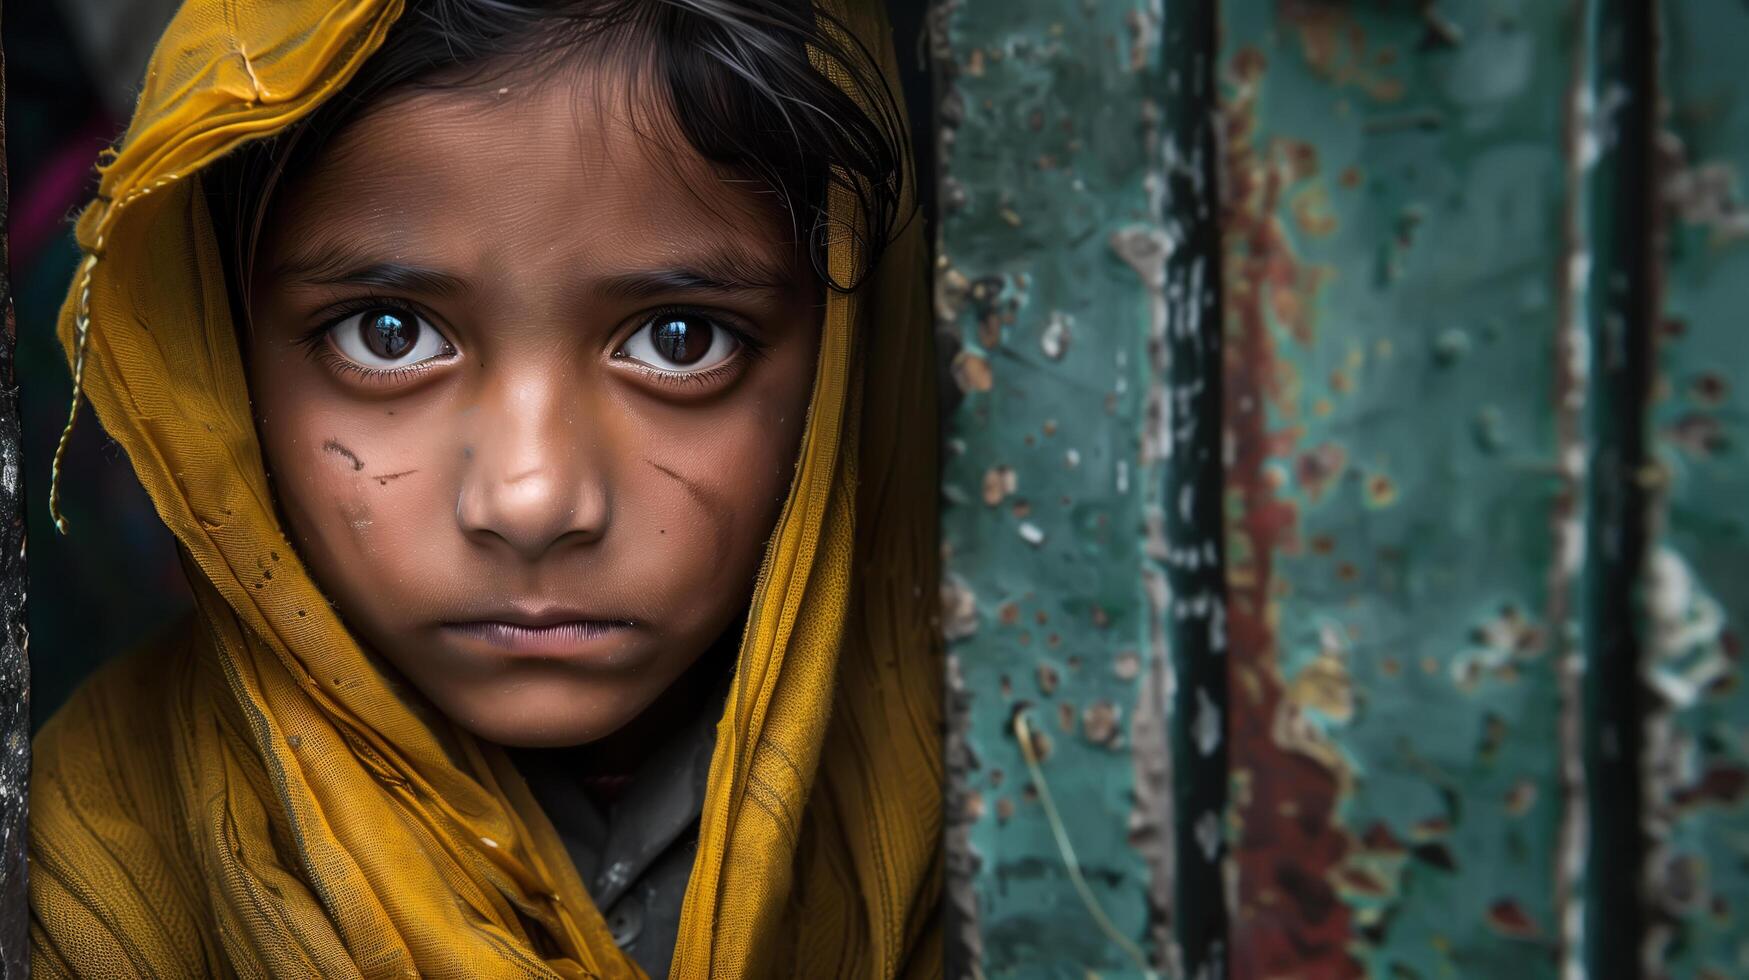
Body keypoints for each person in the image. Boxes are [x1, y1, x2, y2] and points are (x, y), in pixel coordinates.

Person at [27, 0, 942, 975]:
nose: (532, 499)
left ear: (844, 367)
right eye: (388, 333)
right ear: (218, 357)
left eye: (681, 338)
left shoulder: (1014, 821)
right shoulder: (96, 862)